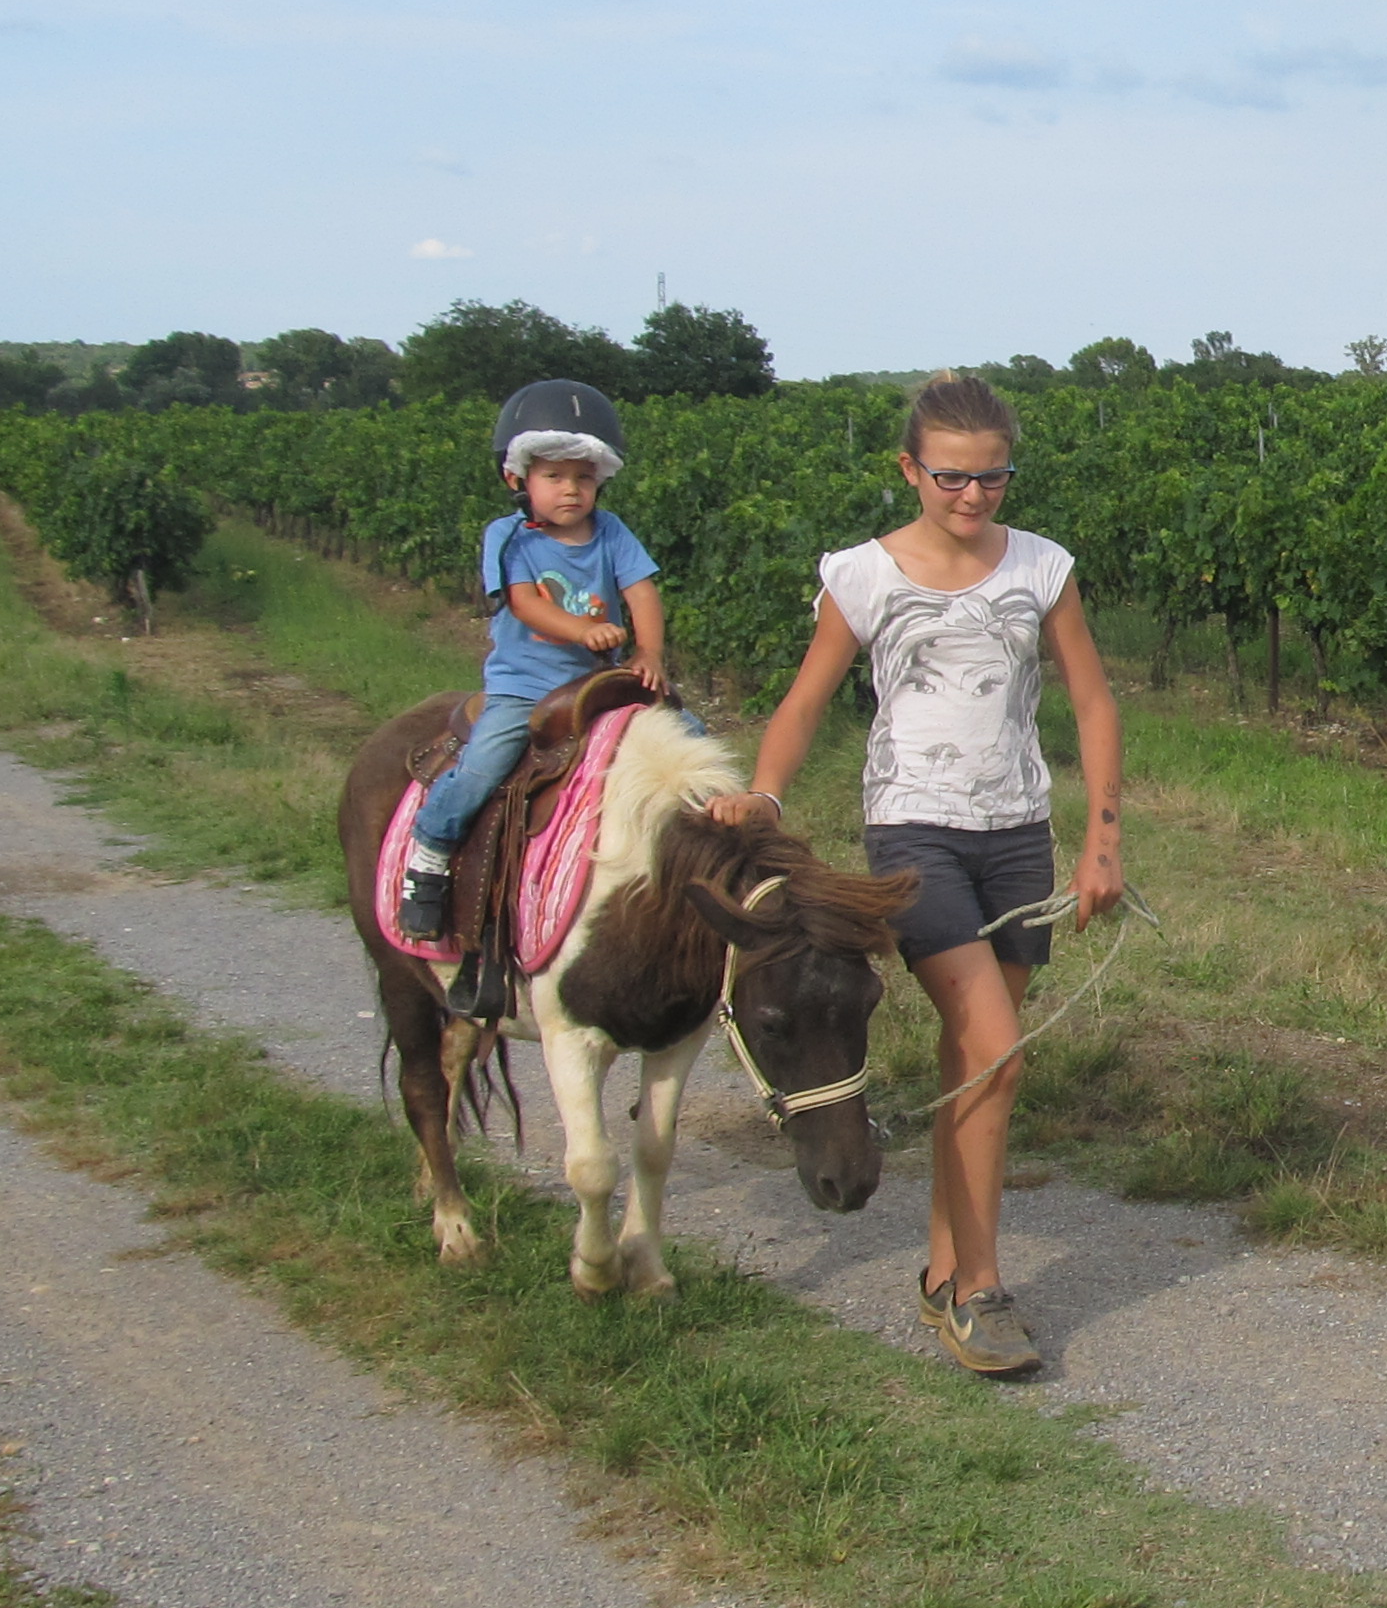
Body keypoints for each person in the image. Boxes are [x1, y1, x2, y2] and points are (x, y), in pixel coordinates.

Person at [706, 372, 1124, 1377]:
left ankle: (943, 1271)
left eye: (992, 479)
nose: (973, 498)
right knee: (994, 1049)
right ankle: (981, 1289)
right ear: (910, 469)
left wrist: (1102, 838)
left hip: (1016, 834)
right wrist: (764, 793)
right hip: (912, 833)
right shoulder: (864, 575)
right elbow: (808, 699)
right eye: (950, 478)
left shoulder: (1041, 568)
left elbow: (1096, 703)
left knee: (970, 1067)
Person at [398, 379, 667, 946]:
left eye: (584, 478)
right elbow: (524, 603)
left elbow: (641, 591)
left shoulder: (612, 532)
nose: (571, 490)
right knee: (483, 768)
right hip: (524, 688)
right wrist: (585, 629)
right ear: (517, 480)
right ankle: (429, 853)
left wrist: (648, 654)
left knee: (682, 741)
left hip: (596, 687)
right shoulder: (508, 537)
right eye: (555, 477)